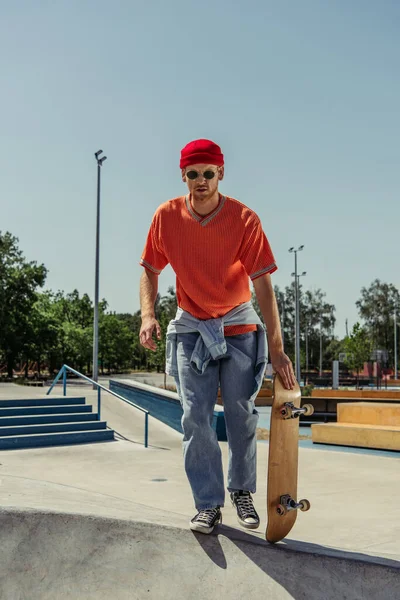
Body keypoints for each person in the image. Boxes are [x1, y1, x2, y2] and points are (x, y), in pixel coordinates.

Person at [139, 139, 296, 534]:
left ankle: (241, 490)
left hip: (239, 324)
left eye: (209, 173)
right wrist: (147, 314)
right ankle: (208, 503)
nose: (201, 181)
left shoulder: (244, 219)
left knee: (241, 414)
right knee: (195, 417)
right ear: (183, 176)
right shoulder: (167, 216)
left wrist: (277, 350)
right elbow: (150, 268)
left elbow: (263, 286)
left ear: (221, 173)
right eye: (193, 174)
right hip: (191, 326)